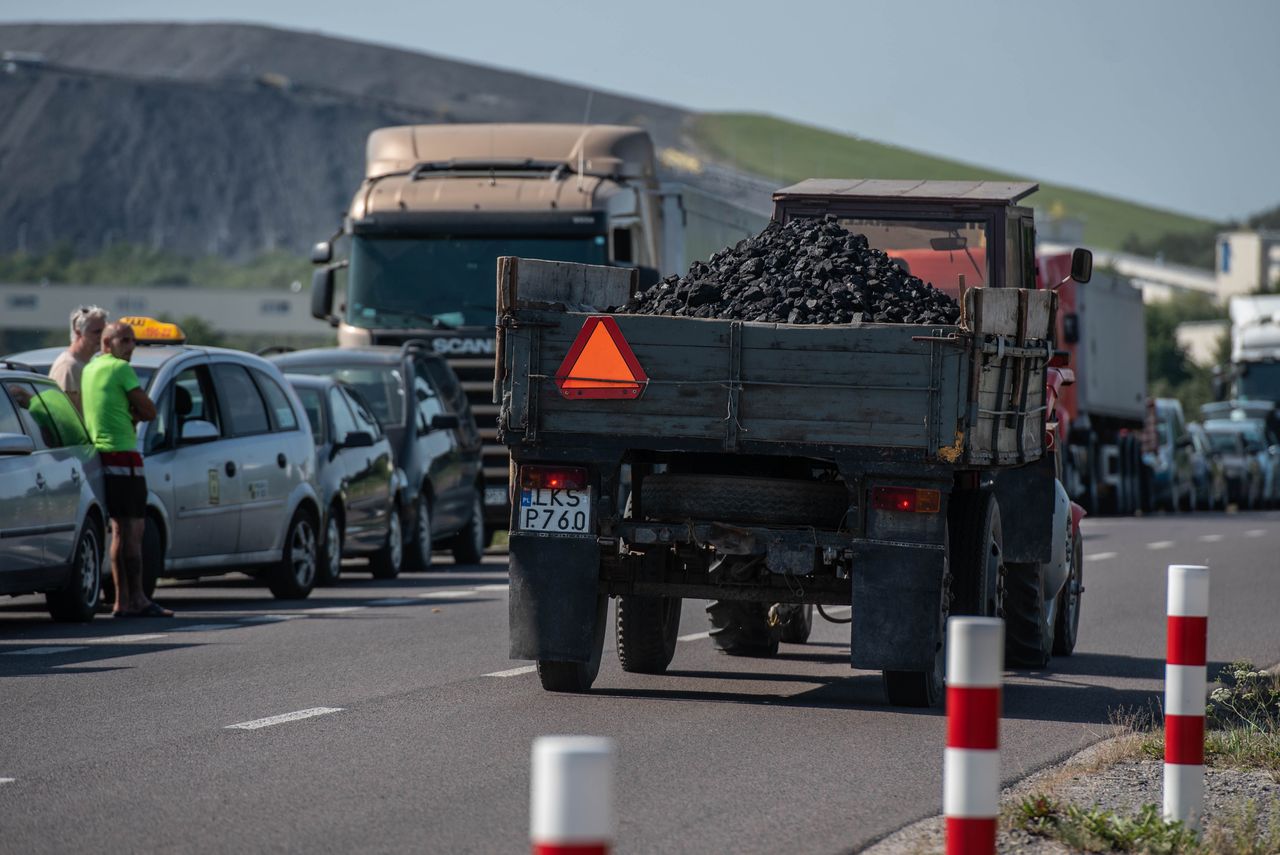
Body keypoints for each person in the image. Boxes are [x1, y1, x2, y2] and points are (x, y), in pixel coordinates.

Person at [81, 321, 172, 618]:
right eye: (125, 340)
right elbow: (149, 410)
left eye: (133, 341)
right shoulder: (120, 369)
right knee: (133, 529)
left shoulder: (91, 368)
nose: (131, 347)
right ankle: (137, 599)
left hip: (102, 454)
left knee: (120, 529)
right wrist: (132, 413)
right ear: (108, 343)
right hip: (123, 454)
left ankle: (122, 601)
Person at [48, 305, 109, 415]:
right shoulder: (68, 366)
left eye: (104, 331)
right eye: (97, 332)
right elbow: (65, 415)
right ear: (78, 332)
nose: (102, 337)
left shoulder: (88, 364)